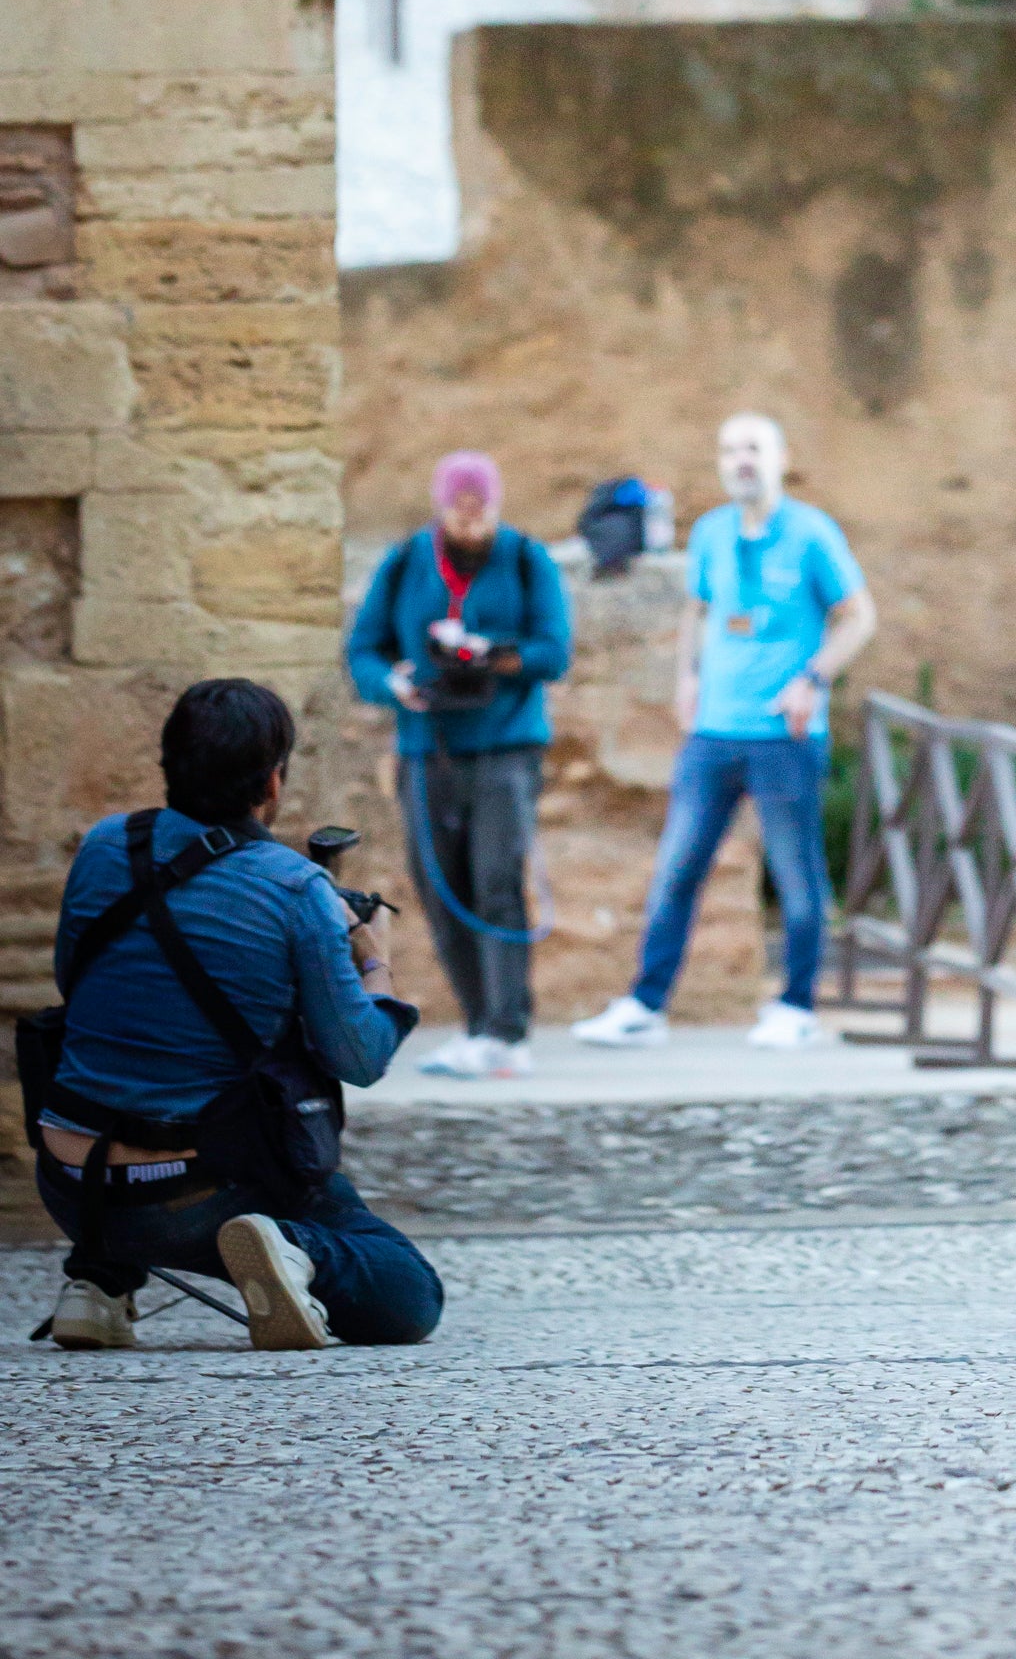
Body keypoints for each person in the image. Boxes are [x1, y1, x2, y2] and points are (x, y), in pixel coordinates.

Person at [31, 678, 440, 1352]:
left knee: (133, 1068)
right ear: (273, 782)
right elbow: (360, 1058)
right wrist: (372, 959)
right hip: (198, 1199)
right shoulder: (296, 889)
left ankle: (97, 1282)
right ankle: (290, 1247)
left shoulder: (105, 847)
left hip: (73, 1184)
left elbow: (75, 983)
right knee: (408, 1292)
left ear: (168, 766)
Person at [575, 413, 874, 1049]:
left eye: (754, 449)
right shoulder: (710, 531)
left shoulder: (811, 532)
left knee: (796, 877)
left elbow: (857, 618)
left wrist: (812, 680)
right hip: (713, 730)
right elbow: (699, 607)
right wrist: (686, 677)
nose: (742, 460)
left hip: (784, 734)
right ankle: (644, 1005)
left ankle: (795, 1007)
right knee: (677, 869)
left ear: (778, 458)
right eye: (731, 449)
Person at [347, 447, 573, 1078]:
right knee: (440, 888)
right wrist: (393, 684)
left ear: (496, 505)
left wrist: (491, 656)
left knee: (497, 883)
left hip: (506, 747)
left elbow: (554, 652)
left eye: (482, 508)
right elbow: (363, 649)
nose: (471, 521)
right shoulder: (405, 562)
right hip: (427, 748)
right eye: (459, 507)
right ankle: (478, 1025)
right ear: (441, 506)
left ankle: (508, 1031)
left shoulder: (527, 559)